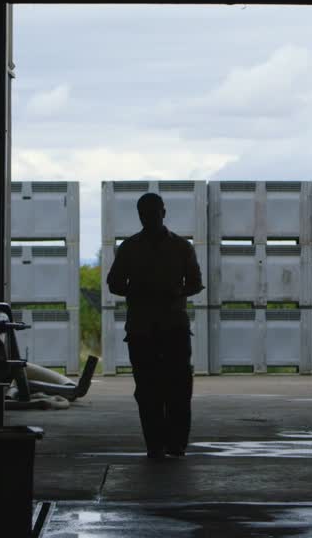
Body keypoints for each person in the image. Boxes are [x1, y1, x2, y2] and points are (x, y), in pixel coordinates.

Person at [105, 192, 204, 460]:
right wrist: (142, 291)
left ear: (163, 212)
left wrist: (170, 291)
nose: (149, 217)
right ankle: (160, 445)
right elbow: (114, 283)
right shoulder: (177, 247)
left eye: (152, 212)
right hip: (150, 329)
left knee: (175, 389)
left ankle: (171, 444)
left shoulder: (175, 247)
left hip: (160, 327)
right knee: (151, 390)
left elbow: (195, 282)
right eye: (145, 213)